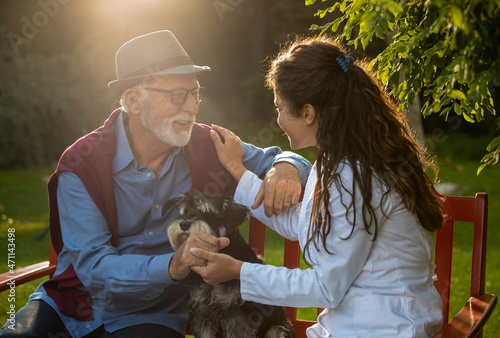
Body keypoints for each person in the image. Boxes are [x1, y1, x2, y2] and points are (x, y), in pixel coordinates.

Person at [0, 31, 311, 338]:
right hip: (69, 306)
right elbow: (94, 268)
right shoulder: (82, 164)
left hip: (150, 316)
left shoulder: (207, 144)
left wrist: (286, 167)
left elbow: (286, 161)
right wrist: (173, 265)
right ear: (134, 100)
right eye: (178, 95)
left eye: (195, 92)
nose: (191, 107)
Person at [190, 35, 445, 337]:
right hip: (358, 323)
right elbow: (303, 225)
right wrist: (236, 169)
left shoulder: (354, 176)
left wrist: (236, 271)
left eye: (280, 108)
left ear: (308, 113)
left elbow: (325, 288)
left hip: (387, 327)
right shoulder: (341, 161)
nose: (279, 119)